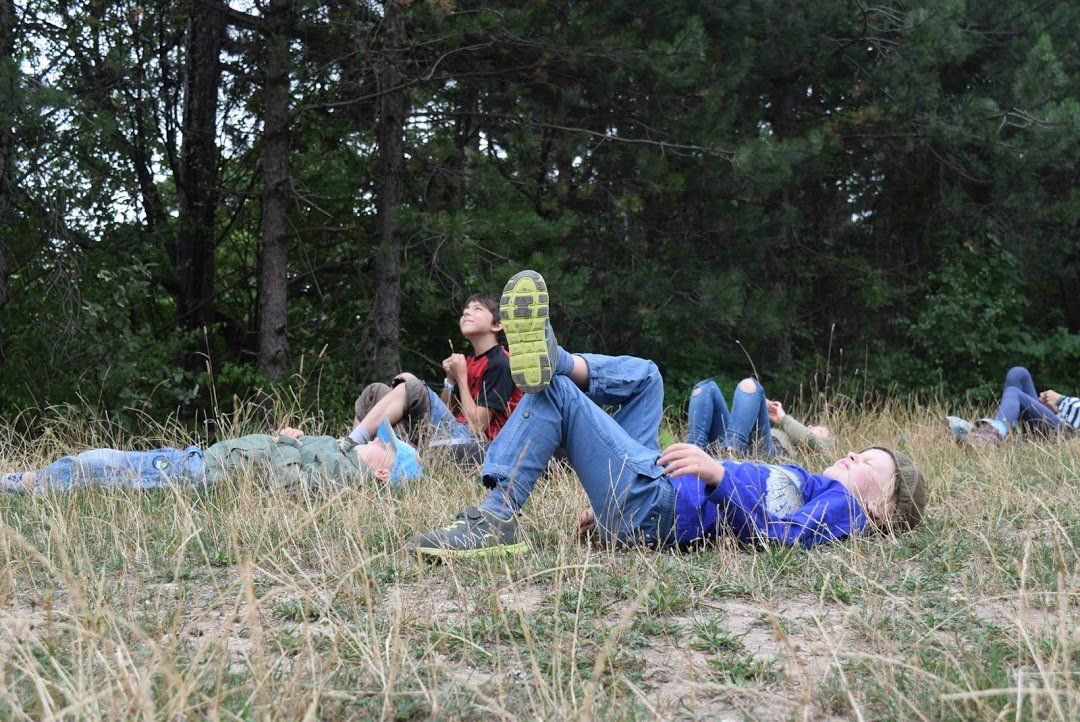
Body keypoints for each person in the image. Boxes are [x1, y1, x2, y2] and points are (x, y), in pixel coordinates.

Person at [408, 271, 927, 558]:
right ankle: (558, 358)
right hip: (651, 491)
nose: (854, 454)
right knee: (647, 376)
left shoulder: (842, 509)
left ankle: (496, 518)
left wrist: (718, 473)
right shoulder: (814, 485)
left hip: (655, 504)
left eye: (869, 465)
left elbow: (780, 537)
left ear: (881, 508)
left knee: (554, 396)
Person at [1, 419, 422, 493]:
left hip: (205, 473)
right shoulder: (340, 454)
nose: (374, 441)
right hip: (201, 460)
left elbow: (289, 481)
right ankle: (26, 482)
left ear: (383, 474)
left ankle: (21, 484)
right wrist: (289, 437)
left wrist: (288, 443)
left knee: (95, 466)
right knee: (99, 463)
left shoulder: (342, 477)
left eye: (383, 447)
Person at [348, 294, 523, 459]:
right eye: (465, 309)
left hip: (478, 447)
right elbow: (449, 413)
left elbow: (477, 427)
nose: (467, 312)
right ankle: (355, 458)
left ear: (496, 325)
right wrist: (450, 381)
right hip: (452, 433)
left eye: (477, 308)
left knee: (411, 384)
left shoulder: (500, 363)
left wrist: (461, 378)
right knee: (376, 391)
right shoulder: (468, 361)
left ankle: (350, 445)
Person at [686, 377, 836, 458]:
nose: (810, 426)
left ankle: (730, 454)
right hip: (740, 441)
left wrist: (783, 418)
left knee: (750, 384)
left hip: (767, 454)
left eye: (821, 431)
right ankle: (692, 453)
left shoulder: (824, 451)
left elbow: (809, 439)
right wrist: (756, 406)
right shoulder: (781, 432)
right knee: (706, 388)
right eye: (812, 426)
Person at [960, 366, 1080, 448]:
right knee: (1018, 373)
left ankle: (991, 435)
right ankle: (996, 431)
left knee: (1014, 392)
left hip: (1067, 434)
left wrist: (1061, 400)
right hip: (1058, 417)